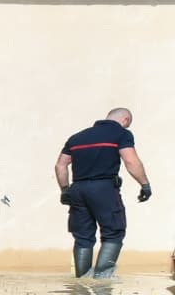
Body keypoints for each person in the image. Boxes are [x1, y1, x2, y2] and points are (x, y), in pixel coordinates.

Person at [56, 106, 151, 279]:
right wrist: (145, 184)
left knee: (82, 237)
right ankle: (102, 280)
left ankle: (82, 281)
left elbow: (60, 165)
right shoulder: (121, 134)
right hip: (103, 189)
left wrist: (65, 190)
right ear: (125, 120)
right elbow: (131, 161)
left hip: (78, 190)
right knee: (113, 232)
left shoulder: (77, 137)